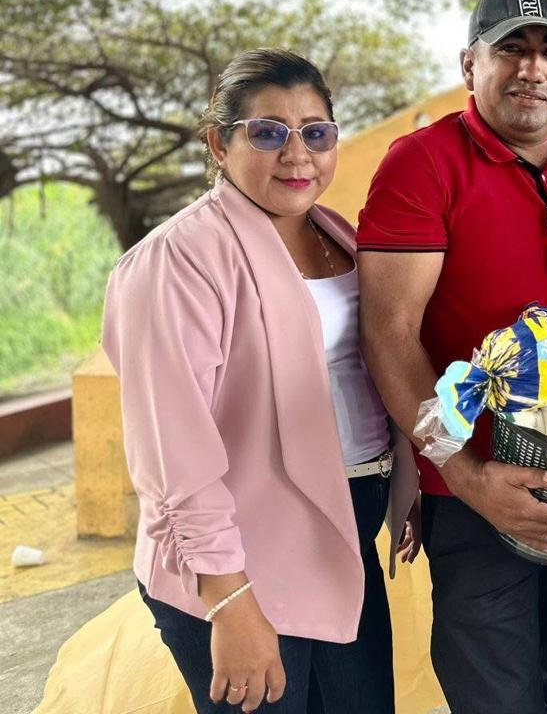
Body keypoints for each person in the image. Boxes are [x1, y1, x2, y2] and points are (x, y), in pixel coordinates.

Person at [356, 0, 547, 714]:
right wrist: (464, 475)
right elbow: (389, 333)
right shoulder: (422, 163)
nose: (532, 68)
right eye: (510, 49)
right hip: (478, 491)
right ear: (470, 65)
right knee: (495, 699)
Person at [102, 49, 421, 714]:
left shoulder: (337, 235)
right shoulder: (177, 260)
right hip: (244, 557)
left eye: (316, 132)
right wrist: (229, 599)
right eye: (269, 132)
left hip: (340, 538)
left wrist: (407, 484)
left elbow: (368, 368)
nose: (297, 154)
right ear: (220, 144)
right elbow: (171, 453)